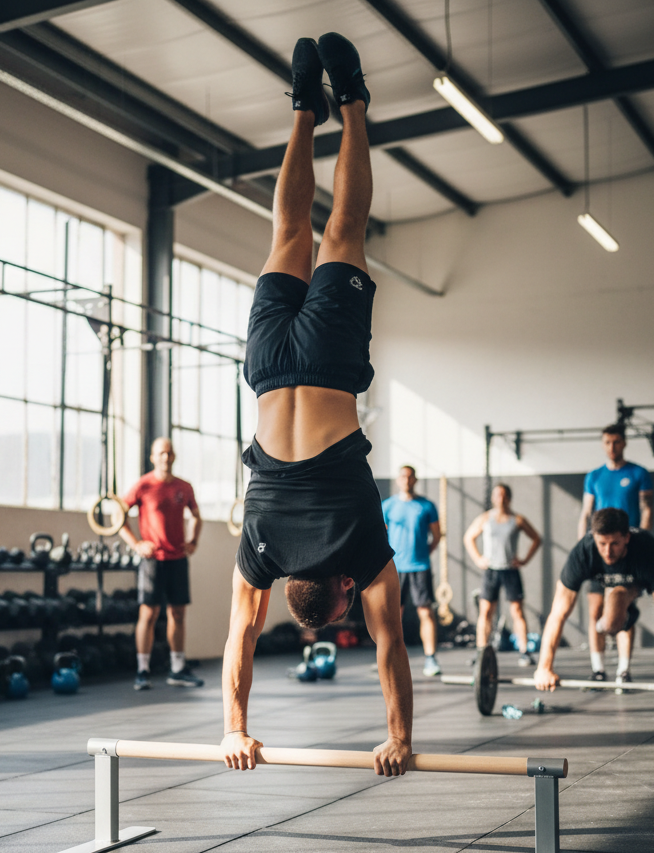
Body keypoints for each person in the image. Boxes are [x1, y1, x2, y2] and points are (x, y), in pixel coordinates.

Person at [219, 33, 412, 777]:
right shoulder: (261, 548)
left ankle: (352, 103)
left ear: (339, 587)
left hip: (330, 365)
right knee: (289, 231)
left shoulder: (358, 548)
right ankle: (304, 109)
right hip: (267, 371)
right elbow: (241, 635)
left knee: (342, 230)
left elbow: (390, 643)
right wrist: (233, 727)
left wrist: (398, 737)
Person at [535, 508, 654, 695]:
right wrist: (544, 667)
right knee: (602, 617)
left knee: (621, 600)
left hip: (635, 581)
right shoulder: (583, 553)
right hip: (601, 577)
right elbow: (557, 615)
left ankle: (623, 659)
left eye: (614, 544)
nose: (608, 551)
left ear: (627, 537)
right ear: (594, 537)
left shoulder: (649, 552)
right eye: (602, 543)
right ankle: (600, 662)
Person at [121, 436, 204, 690]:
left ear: (174, 456)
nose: (165, 457)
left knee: (177, 614)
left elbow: (196, 516)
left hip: (177, 559)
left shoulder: (184, 487)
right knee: (148, 613)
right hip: (152, 560)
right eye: (161, 453)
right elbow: (118, 516)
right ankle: (143, 670)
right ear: (153, 457)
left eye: (169, 453)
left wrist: (193, 541)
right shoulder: (143, 485)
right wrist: (136, 544)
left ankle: (177, 669)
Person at [577, 423, 654, 683]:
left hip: (625, 550)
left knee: (622, 609)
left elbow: (647, 509)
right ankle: (598, 669)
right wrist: (582, 547)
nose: (612, 447)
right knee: (595, 611)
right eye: (607, 442)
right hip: (599, 550)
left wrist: (643, 541)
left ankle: (623, 669)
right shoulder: (594, 476)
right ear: (603, 444)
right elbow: (586, 513)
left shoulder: (638, 473)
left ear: (624, 443)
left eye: (616, 442)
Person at [463, 483, 542, 667]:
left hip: (510, 571)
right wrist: (478, 559)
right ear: (493, 498)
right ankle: (481, 652)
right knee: (486, 612)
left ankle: (525, 652)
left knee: (517, 612)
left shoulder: (518, 520)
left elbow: (537, 538)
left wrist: (524, 560)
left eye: (504, 495)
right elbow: (468, 538)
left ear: (509, 498)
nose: (501, 498)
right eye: (497, 495)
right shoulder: (485, 518)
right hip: (491, 571)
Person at [382, 465, 442, 677]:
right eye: (403, 476)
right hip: (395, 568)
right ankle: (389, 657)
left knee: (425, 612)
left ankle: (430, 659)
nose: (406, 480)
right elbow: (381, 535)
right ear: (398, 480)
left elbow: (436, 536)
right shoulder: (388, 506)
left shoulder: (426, 506)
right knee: (393, 615)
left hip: (420, 567)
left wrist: (424, 553)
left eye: (410, 476)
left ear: (415, 480)